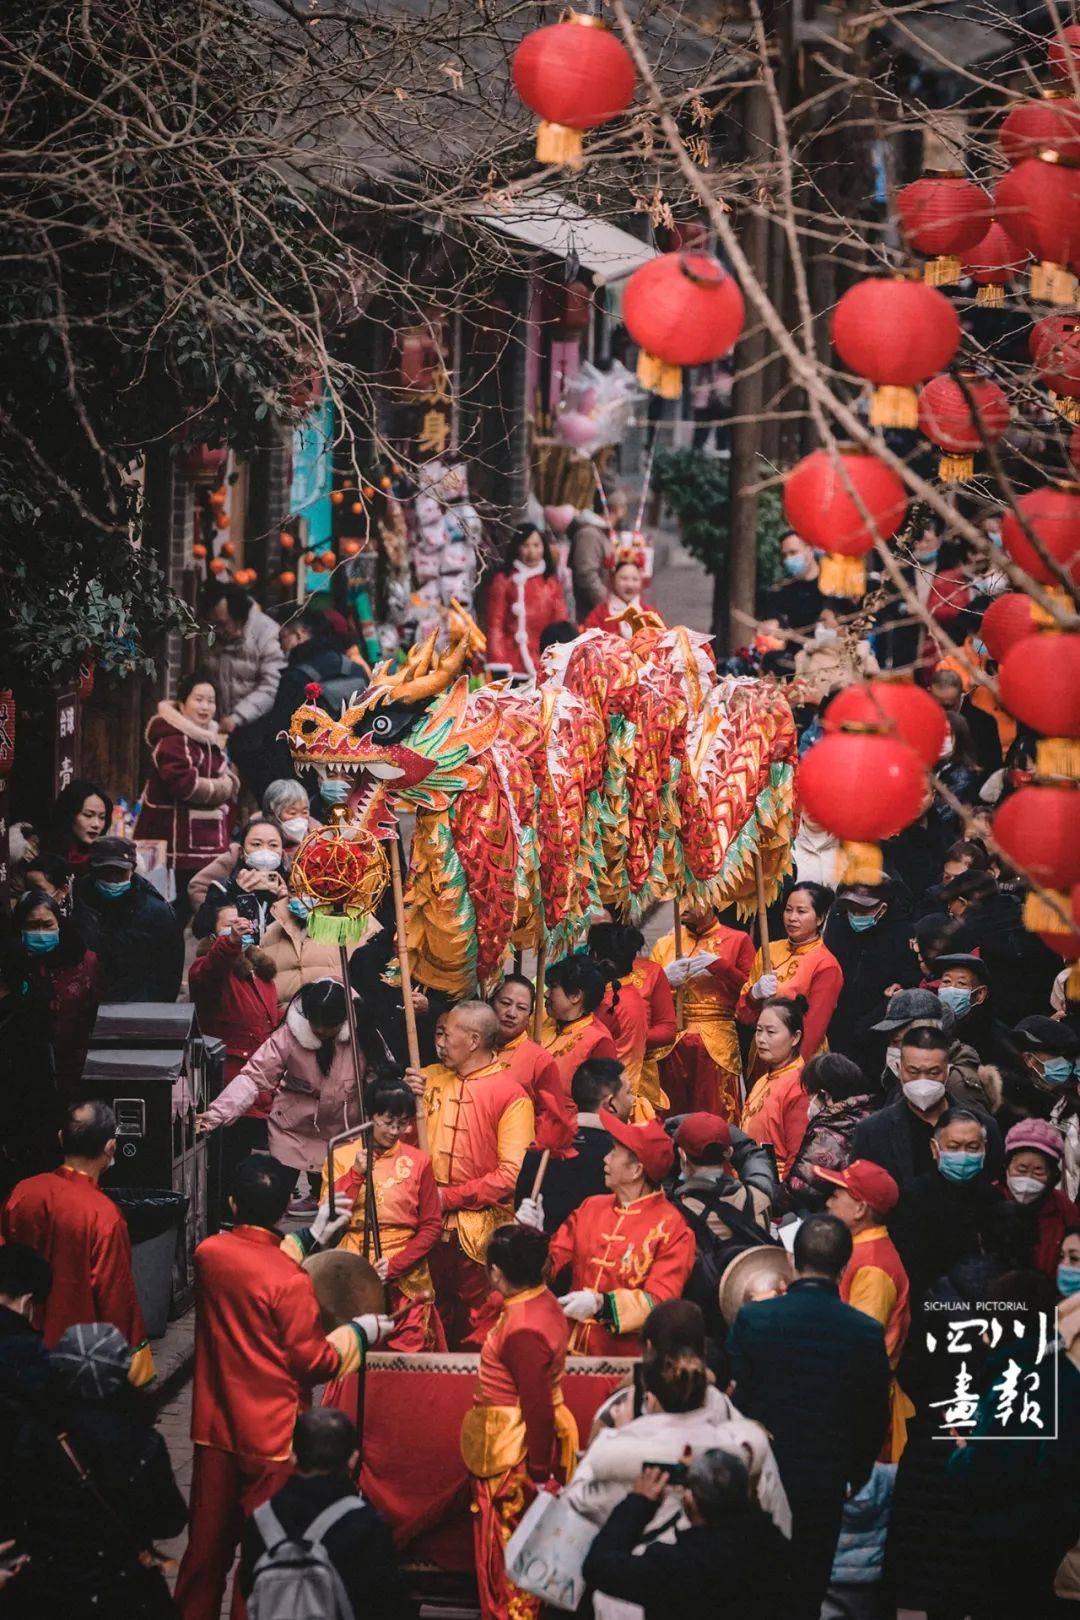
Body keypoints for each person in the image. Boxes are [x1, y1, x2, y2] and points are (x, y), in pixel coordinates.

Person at [173, 1154, 390, 1620]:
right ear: (282, 1209)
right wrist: (360, 1332)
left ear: (232, 1202)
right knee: (262, 1553)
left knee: (204, 1554)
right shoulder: (290, 1282)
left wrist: (312, 1235)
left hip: (215, 1427)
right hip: (272, 1435)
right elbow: (313, 1361)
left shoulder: (209, 1255)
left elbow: (251, 1260)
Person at [726, 1213, 891, 1620]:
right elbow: (873, 1413)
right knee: (808, 1582)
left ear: (793, 1262)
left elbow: (738, 1398)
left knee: (757, 1581)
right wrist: (857, 1471)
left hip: (763, 1471)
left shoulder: (755, 1319)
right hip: (826, 1475)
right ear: (844, 1265)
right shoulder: (865, 1331)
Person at [10, 1322, 186, 1620]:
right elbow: (169, 1522)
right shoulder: (142, 1444)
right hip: (123, 1591)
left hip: (50, 1593)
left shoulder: (33, 1437)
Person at [460, 1224, 577, 1620]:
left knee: (509, 1563)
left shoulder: (522, 1328)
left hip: (514, 1457)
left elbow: (537, 1405)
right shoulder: (539, 1301)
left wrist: (540, 1474)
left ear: (495, 1273)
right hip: (518, 1446)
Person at [409, 1000, 535, 1349]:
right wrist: (402, 1103)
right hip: (423, 1226)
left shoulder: (511, 1094)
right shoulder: (428, 1079)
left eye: (448, 1035)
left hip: (478, 1236)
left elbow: (511, 1175)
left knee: (474, 1332)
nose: (441, 1042)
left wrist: (446, 1197)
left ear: (474, 1040)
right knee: (422, 1326)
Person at [2, 1100, 154, 1386]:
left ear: (61, 1138)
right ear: (111, 1148)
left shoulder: (23, 1193)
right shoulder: (103, 1215)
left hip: (18, 1355)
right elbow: (116, 1300)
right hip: (80, 1362)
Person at [519, 1115, 694, 1355]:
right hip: (569, 1350)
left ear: (636, 1170)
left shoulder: (672, 1228)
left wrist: (601, 1305)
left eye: (613, 1152)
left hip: (625, 1360)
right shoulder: (591, 1206)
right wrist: (533, 1237)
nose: (605, 1158)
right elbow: (549, 1266)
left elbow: (660, 1302)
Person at [196, 979, 365, 1202]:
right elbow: (253, 1077)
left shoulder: (364, 1035)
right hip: (291, 1129)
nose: (321, 1030)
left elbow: (381, 1081)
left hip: (344, 1133)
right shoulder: (288, 1035)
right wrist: (215, 1116)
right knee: (272, 1199)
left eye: (329, 1026)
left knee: (339, 1208)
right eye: (316, 1024)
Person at [582, 1450, 790, 1620]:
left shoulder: (678, 1567)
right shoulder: (772, 1543)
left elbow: (598, 1566)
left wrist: (639, 1502)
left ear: (689, 1500)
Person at [239, 1408, 405, 1620]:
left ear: (292, 1457)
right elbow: (385, 1602)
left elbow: (249, 1588)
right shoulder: (368, 1525)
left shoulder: (261, 1520)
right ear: (353, 1459)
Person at [329, 1078, 445, 1351]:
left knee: (410, 1358)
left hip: (407, 1273)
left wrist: (395, 1266)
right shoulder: (342, 1155)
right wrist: (355, 1175)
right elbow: (330, 1218)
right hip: (355, 1268)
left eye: (403, 1123)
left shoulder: (419, 1161)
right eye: (388, 1122)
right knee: (356, 1357)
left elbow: (431, 1226)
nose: (396, 1131)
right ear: (370, 1116)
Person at [817, 1160, 911, 1454]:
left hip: (861, 1407)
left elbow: (859, 1345)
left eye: (836, 1195)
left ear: (860, 1209)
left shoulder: (873, 1265)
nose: (827, 1202)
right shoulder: (858, 1249)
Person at [132, 671, 240, 919]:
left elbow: (228, 775)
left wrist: (228, 782)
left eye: (211, 701)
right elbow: (186, 785)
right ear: (182, 702)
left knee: (205, 911)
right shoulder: (173, 738)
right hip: (177, 845)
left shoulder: (208, 737)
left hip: (205, 841)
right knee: (176, 912)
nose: (205, 707)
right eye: (198, 699)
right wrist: (224, 787)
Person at [853, 1025, 1003, 1190]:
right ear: (899, 1070)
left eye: (933, 1072)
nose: (922, 1080)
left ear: (947, 1071)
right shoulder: (872, 1132)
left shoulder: (984, 1126)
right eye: (913, 1072)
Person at [888, 1105, 1004, 1307]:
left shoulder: (993, 1199)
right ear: (935, 1149)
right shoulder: (913, 1197)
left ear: (984, 1148)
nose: (963, 1154)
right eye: (953, 1147)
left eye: (972, 1147)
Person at [650, 903, 754, 1121]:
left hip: (716, 1043)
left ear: (712, 900)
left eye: (691, 897)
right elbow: (648, 1000)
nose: (682, 906)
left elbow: (751, 993)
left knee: (716, 1118)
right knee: (673, 1120)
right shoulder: (665, 943)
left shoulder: (738, 939)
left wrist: (722, 967)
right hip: (672, 1043)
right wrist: (662, 980)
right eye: (680, 897)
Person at [670, 1112, 772, 1337]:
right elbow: (755, 1157)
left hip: (706, 1322)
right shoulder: (759, 1197)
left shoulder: (674, 1214)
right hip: (754, 1310)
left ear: (682, 1156)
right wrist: (722, 1129)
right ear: (729, 1153)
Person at [516, 1057, 632, 1233]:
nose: (633, 1100)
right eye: (629, 1093)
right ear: (610, 1103)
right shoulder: (624, 1154)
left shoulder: (540, 1148)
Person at [736, 881, 842, 1067]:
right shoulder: (768, 950)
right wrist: (754, 994)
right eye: (788, 910)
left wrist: (790, 1068)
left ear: (820, 918)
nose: (792, 918)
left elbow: (813, 1030)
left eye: (801, 912)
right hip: (761, 1053)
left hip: (800, 1060)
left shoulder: (826, 964)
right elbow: (743, 1013)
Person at [200, 582, 286, 798]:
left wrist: (238, 716)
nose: (218, 630)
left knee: (256, 786)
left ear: (239, 618)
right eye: (213, 624)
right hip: (218, 726)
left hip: (257, 726)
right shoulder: (212, 635)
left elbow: (271, 685)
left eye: (223, 623)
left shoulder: (266, 633)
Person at [822, 879, 919, 1066]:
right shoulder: (839, 926)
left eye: (863, 910)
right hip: (837, 1024)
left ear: (882, 908)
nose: (856, 915)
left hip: (876, 1031)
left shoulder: (902, 934)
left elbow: (910, 977)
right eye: (852, 909)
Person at [944, 871, 1060, 1027]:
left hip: (997, 1023)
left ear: (963, 902)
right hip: (1046, 1014)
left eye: (951, 905)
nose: (950, 911)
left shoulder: (966, 935)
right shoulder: (1031, 917)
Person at [75, 837, 183, 1003]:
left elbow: (168, 974)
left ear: (132, 870)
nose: (113, 879)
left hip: (135, 1008)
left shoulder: (157, 912)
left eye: (120, 872)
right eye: (106, 872)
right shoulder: (77, 901)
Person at [12, 889, 101, 1091]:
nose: (41, 932)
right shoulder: (12, 965)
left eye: (47, 925)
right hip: (23, 1069)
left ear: (59, 924)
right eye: (32, 926)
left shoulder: (84, 962)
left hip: (76, 1067)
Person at [590, 922, 676, 1112]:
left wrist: (632, 1036)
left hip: (637, 1071)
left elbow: (668, 1029)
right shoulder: (591, 977)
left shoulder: (651, 972)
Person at [780, 1053, 877, 1213]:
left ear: (825, 1095)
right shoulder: (867, 1114)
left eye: (811, 1095)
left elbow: (798, 1191)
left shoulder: (828, 1131)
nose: (809, 1102)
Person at [488, 973, 575, 1151]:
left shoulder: (539, 1060)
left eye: (521, 1008)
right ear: (491, 1003)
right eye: (505, 1003)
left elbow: (551, 1120)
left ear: (530, 1015)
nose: (511, 1013)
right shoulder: (473, 1047)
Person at [872, 986, 991, 1113]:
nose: (893, 1049)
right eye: (891, 1042)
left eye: (898, 1041)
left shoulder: (955, 1084)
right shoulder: (904, 1077)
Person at [484, 524, 569, 680]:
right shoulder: (504, 580)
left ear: (544, 547)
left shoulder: (551, 582)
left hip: (544, 660)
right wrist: (498, 661)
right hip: (511, 661)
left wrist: (560, 656)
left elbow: (560, 623)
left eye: (536, 545)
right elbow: (495, 624)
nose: (532, 552)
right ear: (517, 547)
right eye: (526, 545)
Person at [1000, 1117, 1079, 1278]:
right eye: (1021, 1169)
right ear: (1007, 1167)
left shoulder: (1064, 1209)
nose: (1028, 1178)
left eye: (1038, 1171)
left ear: (1052, 1176)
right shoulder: (990, 1198)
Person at [740, 996, 809, 1177]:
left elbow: (798, 1156)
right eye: (758, 1030)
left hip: (774, 1185)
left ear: (795, 1037)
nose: (761, 1039)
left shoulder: (799, 1086)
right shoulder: (763, 1080)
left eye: (770, 1032)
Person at [194, 813, 290, 941]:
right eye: (256, 844)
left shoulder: (294, 885)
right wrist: (235, 896)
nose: (265, 850)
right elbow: (200, 930)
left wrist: (286, 903)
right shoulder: (224, 888)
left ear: (282, 853)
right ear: (241, 852)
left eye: (273, 845)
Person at [540, 956, 619, 1099]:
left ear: (575, 996)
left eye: (553, 988)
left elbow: (603, 1103)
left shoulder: (599, 1042)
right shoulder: (548, 1023)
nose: (546, 994)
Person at [931, 948, 1016, 1068]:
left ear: (980, 994)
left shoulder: (993, 1039)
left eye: (961, 983)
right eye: (946, 981)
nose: (951, 988)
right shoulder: (930, 1024)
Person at [581, 552, 663, 638]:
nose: (629, 585)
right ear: (613, 579)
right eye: (624, 578)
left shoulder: (650, 614)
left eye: (635, 579)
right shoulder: (598, 615)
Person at [40, 778, 112, 873]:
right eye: (88, 815)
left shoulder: (109, 861)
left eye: (102, 817)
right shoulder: (41, 854)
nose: (96, 824)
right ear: (69, 815)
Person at [761, 532, 824, 631]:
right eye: (784, 555)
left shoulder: (834, 586)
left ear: (810, 550)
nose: (788, 559)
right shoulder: (779, 593)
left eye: (793, 552)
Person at [261, 778, 319, 851]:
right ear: (273, 814)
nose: (299, 818)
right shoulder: (260, 843)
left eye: (304, 812)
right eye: (292, 813)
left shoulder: (321, 840)